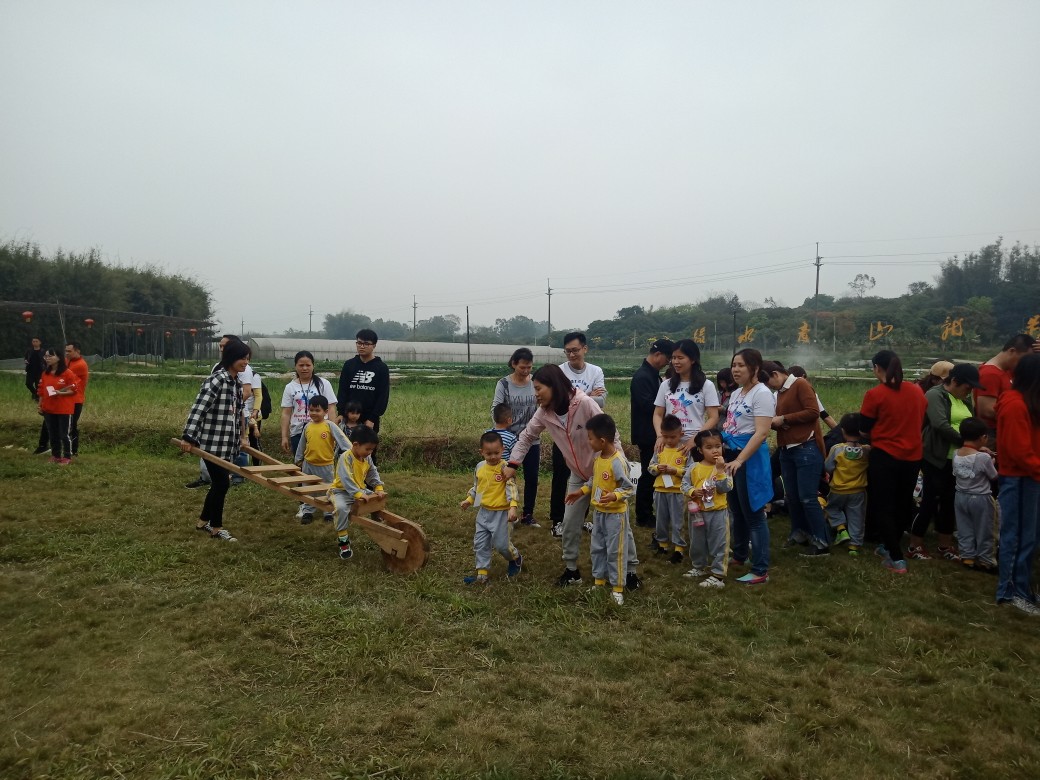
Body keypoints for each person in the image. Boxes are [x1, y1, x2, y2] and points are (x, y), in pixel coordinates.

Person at [504, 364, 641, 589]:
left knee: (618, 524)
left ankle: (631, 572)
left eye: (538, 388)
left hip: (605, 474)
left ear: (554, 386)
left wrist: (618, 468)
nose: (535, 394)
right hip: (578, 475)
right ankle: (571, 570)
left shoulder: (585, 403)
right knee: (569, 523)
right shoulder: (544, 413)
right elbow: (527, 436)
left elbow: (612, 435)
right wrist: (513, 463)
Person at [859, 350, 928, 574]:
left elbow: (864, 428)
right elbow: (921, 418)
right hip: (913, 456)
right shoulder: (916, 391)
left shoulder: (875, 394)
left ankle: (896, 559)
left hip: (885, 456)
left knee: (883, 505)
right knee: (903, 503)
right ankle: (888, 546)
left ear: (877, 368)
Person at [179, 339, 252, 542]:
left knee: (220, 484)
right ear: (231, 357)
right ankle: (216, 527)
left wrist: (243, 437)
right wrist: (188, 436)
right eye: (242, 358)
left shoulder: (237, 384)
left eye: (247, 358)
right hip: (212, 443)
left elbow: (239, 413)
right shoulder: (217, 380)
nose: (245, 362)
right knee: (221, 484)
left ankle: (203, 521)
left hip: (227, 444)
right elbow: (199, 409)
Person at [909, 362, 983, 561]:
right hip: (935, 458)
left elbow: (972, 424)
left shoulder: (964, 400)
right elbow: (940, 424)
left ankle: (945, 545)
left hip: (957, 460)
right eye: (967, 387)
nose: (969, 391)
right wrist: (968, 443)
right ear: (955, 381)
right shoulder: (935, 395)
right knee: (929, 501)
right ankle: (915, 545)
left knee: (950, 502)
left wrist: (976, 443)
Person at [565, 413, 634, 605]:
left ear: (602, 441)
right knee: (597, 548)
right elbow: (593, 480)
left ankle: (617, 588)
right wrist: (581, 492)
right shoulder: (598, 458)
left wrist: (615, 495)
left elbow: (628, 488)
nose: (588, 442)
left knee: (615, 551)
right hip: (599, 514)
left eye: (590, 438)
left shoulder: (618, 462)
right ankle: (599, 581)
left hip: (615, 517)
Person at [764, 361, 829, 557]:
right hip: (787, 448)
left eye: (768, 382)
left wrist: (784, 419)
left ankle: (821, 541)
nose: (768, 387)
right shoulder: (780, 392)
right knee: (792, 497)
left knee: (808, 497)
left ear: (775, 374)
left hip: (806, 447)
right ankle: (799, 532)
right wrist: (777, 423)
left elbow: (813, 412)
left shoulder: (800, 384)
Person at [721, 348, 774, 585]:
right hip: (732, 456)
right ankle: (740, 555)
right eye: (734, 365)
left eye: (741, 365)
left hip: (748, 458)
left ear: (755, 368)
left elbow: (761, 432)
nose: (735, 369)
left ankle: (761, 568)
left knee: (753, 514)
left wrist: (740, 460)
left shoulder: (762, 394)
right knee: (737, 509)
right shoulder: (736, 393)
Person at [994, 353, 1040, 615]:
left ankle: (1024, 589)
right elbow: (1018, 451)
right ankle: (1010, 592)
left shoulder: (1028, 402)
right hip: (1019, 478)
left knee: (1029, 537)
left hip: (1031, 476)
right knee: (1015, 535)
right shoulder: (1014, 404)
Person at [549, 332, 607, 537]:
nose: (571, 355)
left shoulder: (595, 371)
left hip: (589, 437)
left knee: (588, 477)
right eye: (567, 351)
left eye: (575, 350)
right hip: (564, 434)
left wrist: (574, 397)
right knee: (560, 477)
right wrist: (588, 396)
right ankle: (557, 520)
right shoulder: (559, 371)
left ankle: (581, 519)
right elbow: (558, 401)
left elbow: (602, 401)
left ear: (585, 349)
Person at [460, 431, 523, 584]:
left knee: (502, 545)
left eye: (496, 453)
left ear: (502, 450)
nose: (493, 456)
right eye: (489, 454)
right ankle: (482, 574)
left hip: (502, 514)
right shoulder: (480, 467)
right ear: (481, 452)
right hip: (484, 513)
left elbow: (511, 488)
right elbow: (479, 487)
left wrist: (512, 507)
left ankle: (515, 558)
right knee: (480, 543)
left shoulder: (505, 468)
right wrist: (470, 500)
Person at [492, 348, 541, 527]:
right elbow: (496, 409)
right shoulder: (504, 384)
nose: (526, 371)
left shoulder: (536, 382)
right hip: (509, 439)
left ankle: (528, 514)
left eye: (529, 367)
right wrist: (502, 433)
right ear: (514, 364)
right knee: (506, 476)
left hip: (531, 439)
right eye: (522, 367)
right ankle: (505, 512)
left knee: (532, 477)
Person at [630, 339, 674, 528]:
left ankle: (648, 512)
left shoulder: (652, 375)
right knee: (649, 473)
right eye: (668, 358)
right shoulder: (642, 377)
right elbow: (648, 406)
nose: (668, 363)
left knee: (652, 473)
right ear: (657, 355)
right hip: (648, 434)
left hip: (653, 432)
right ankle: (643, 515)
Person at [681, 428, 733, 589]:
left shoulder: (725, 468)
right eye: (709, 447)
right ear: (700, 450)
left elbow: (726, 488)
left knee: (719, 543)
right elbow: (684, 485)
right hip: (697, 512)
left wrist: (720, 471)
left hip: (718, 512)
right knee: (697, 541)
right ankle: (699, 566)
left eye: (718, 446)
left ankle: (718, 575)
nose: (715, 450)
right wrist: (692, 491)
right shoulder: (694, 467)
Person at [653, 339, 720, 454]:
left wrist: (695, 439)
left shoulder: (706, 385)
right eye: (673, 358)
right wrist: (660, 436)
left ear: (693, 359)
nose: (675, 362)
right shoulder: (666, 385)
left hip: (694, 444)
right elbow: (657, 414)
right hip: (669, 443)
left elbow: (713, 417)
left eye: (680, 358)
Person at [329, 425, 384, 561]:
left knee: (378, 499)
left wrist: (378, 487)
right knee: (341, 509)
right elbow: (346, 479)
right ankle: (343, 542)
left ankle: (379, 523)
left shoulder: (366, 458)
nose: (370, 452)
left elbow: (372, 472)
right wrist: (358, 494)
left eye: (372, 449)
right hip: (341, 491)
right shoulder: (345, 458)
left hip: (359, 490)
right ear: (355, 445)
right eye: (368, 449)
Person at [294, 395, 351, 524]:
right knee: (308, 488)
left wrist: (352, 452)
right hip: (308, 464)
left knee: (327, 489)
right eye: (311, 410)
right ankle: (308, 511)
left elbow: (342, 440)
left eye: (317, 410)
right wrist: (298, 459)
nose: (314, 413)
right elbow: (302, 444)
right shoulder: (307, 427)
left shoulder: (329, 426)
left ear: (325, 412)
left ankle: (328, 512)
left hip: (326, 465)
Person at [952, 417, 998, 573]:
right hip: (980, 498)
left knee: (964, 527)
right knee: (985, 529)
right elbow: (993, 476)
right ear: (983, 437)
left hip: (960, 496)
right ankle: (986, 561)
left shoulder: (956, 453)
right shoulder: (983, 457)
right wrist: (992, 460)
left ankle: (967, 557)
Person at [975, 334, 1036, 448]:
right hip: (992, 435)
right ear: (1012, 351)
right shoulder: (990, 374)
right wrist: (1020, 416)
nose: (1025, 363)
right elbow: (986, 410)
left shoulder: (1007, 371)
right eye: (1024, 359)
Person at [823, 413, 870, 555]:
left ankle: (841, 529)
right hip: (858, 491)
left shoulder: (837, 449)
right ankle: (854, 546)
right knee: (857, 517)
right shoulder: (866, 450)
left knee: (831, 508)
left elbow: (828, 467)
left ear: (842, 430)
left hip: (838, 490)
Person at [281, 350, 337, 459]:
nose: (304, 368)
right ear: (295, 366)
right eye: (301, 365)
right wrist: (284, 436)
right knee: (300, 463)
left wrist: (333, 432)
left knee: (320, 461)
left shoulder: (324, 384)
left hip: (321, 431)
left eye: (308, 365)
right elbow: (286, 413)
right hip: (297, 432)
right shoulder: (290, 387)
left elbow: (331, 408)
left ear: (313, 366)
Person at [647, 414, 688, 562]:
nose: (669, 440)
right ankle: (662, 544)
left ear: (681, 434)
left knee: (678, 521)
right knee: (661, 519)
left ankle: (679, 548)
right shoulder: (659, 449)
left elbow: (690, 472)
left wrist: (675, 471)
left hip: (678, 492)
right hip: (660, 490)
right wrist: (657, 468)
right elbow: (650, 467)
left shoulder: (684, 450)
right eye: (665, 437)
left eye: (672, 437)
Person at [337, 329, 390, 434]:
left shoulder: (381, 368)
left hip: (369, 419)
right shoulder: (349, 365)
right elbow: (342, 390)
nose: (362, 346)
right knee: (345, 444)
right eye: (359, 343)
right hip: (348, 417)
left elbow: (383, 396)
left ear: (374, 345)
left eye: (366, 344)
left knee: (367, 444)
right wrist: (341, 413)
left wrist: (372, 418)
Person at [37, 347, 78, 464]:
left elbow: (73, 390)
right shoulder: (45, 373)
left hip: (63, 409)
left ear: (59, 358)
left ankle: (67, 456)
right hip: (49, 408)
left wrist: (60, 393)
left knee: (64, 434)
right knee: (52, 433)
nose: (47, 358)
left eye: (50, 356)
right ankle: (56, 455)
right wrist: (40, 405)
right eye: (46, 356)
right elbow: (41, 391)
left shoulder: (67, 373)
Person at [789, 366, 838, 430]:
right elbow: (825, 416)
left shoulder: (779, 392)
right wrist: (840, 432)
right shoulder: (808, 392)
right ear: (803, 376)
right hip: (806, 433)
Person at [64, 342, 90, 457]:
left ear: (77, 351)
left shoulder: (80, 365)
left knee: (72, 426)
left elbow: (65, 378)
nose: (67, 353)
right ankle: (66, 449)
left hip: (75, 400)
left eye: (69, 351)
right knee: (66, 425)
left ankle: (73, 451)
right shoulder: (67, 361)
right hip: (67, 398)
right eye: (66, 351)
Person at [25, 337, 44, 401]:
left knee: (38, 385)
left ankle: (37, 398)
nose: (35, 343)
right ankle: (35, 393)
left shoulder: (43, 351)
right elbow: (26, 358)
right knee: (28, 384)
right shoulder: (29, 351)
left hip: (40, 370)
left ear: (40, 342)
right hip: (30, 370)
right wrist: (26, 361)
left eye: (36, 341)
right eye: (33, 341)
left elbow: (46, 359)